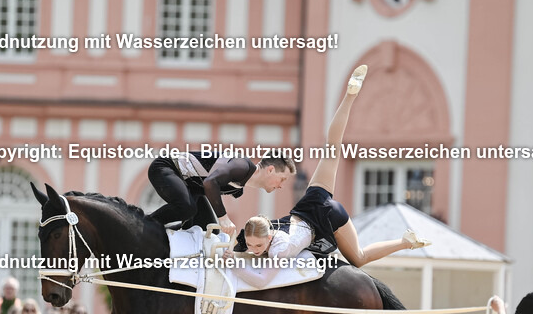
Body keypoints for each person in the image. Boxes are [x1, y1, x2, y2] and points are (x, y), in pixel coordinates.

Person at [232, 66, 428, 285]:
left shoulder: (279, 251)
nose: (254, 250)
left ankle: (404, 242)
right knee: (333, 146)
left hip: (328, 216)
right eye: (251, 245)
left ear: (269, 238)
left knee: (359, 258)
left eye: (258, 246)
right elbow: (248, 251)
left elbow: (260, 281)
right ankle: (350, 95)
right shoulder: (260, 229)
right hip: (310, 203)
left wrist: (231, 264)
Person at [147, 146, 294, 234]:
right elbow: (210, 183)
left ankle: (162, 234)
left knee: (210, 231)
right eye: (282, 179)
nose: (281, 186)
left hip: (189, 185)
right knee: (187, 208)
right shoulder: (242, 166)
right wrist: (224, 219)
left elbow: (203, 187)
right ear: (270, 170)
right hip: (166, 167)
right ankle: (143, 223)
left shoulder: (238, 186)